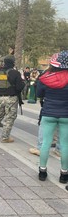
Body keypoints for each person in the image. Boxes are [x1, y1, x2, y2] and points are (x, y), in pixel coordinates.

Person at [35, 50, 68, 183]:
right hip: (66, 115)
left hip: (48, 113)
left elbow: (38, 93)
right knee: (65, 144)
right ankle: (64, 174)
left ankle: (42, 171)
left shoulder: (45, 77)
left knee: (45, 143)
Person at [0, 55, 25, 143]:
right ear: (13, 63)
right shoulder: (15, 73)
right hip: (11, 98)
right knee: (9, 118)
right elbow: (19, 87)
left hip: (0, 98)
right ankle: (5, 137)